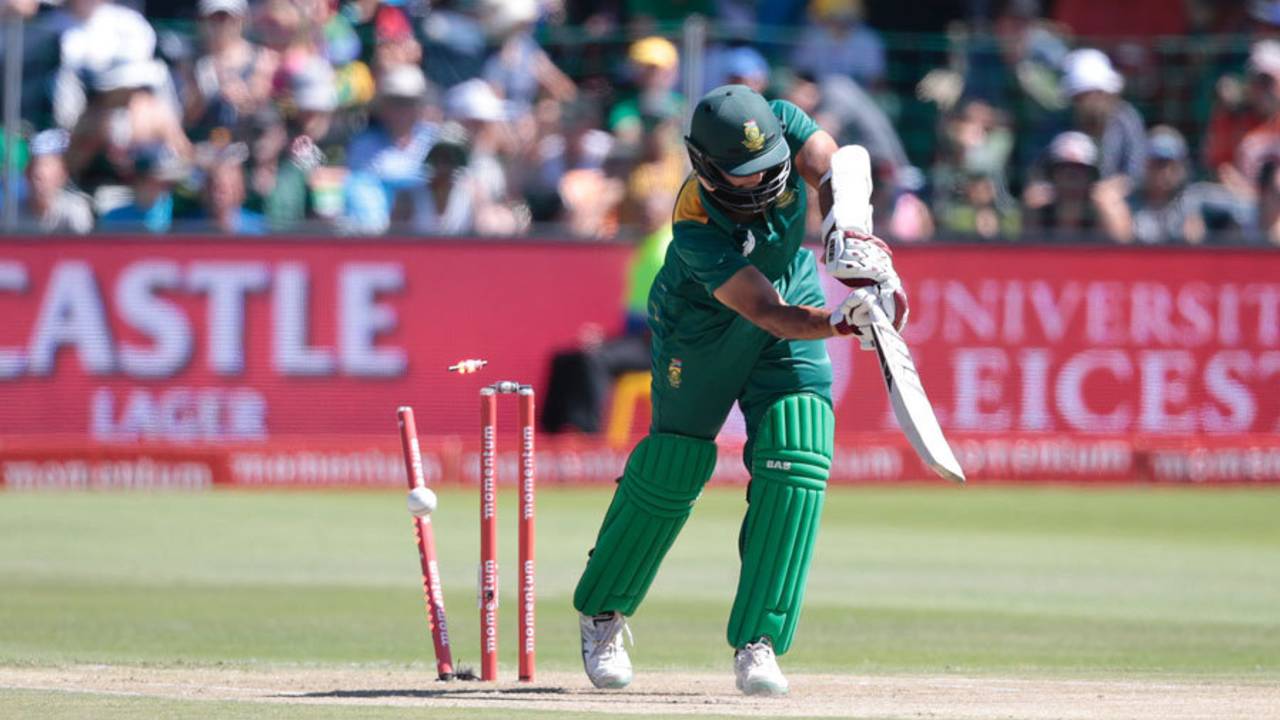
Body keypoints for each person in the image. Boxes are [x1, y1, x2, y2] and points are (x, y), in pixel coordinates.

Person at [573, 85, 908, 696]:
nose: (762, 183)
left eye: (767, 167)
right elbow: (770, 313)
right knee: (676, 465)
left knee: (799, 452)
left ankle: (759, 642)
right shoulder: (697, 225)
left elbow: (832, 162)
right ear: (706, 166)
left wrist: (849, 232)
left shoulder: (778, 121)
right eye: (744, 174)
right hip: (703, 327)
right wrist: (843, 321)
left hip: (791, 287)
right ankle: (602, 614)